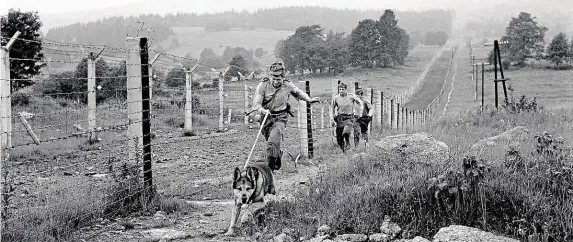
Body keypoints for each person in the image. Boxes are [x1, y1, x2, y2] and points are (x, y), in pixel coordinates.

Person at [253, 61, 320, 172]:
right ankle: (278, 155)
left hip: (280, 117)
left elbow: (298, 93)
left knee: (272, 141)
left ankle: (270, 171)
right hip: (265, 118)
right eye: (273, 78)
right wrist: (262, 110)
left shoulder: (287, 85)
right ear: (270, 76)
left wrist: (309, 99)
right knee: (271, 142)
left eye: (278, 78)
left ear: (283, 77)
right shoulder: (263, 85)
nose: (275, 81)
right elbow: (256, 104)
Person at [330, 82, 362, 153]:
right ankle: (343, 150)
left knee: (346, 132)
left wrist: (359, 113)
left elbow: (360, 103)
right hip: (340, 118)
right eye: (340, 89)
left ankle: (348, 143)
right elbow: (332, 108)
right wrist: (332, 118)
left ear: (346, 89)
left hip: (349, 117)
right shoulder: (336, 98)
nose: (341, 91)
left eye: (343, 89)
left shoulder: (351, 96)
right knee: (339, 136)